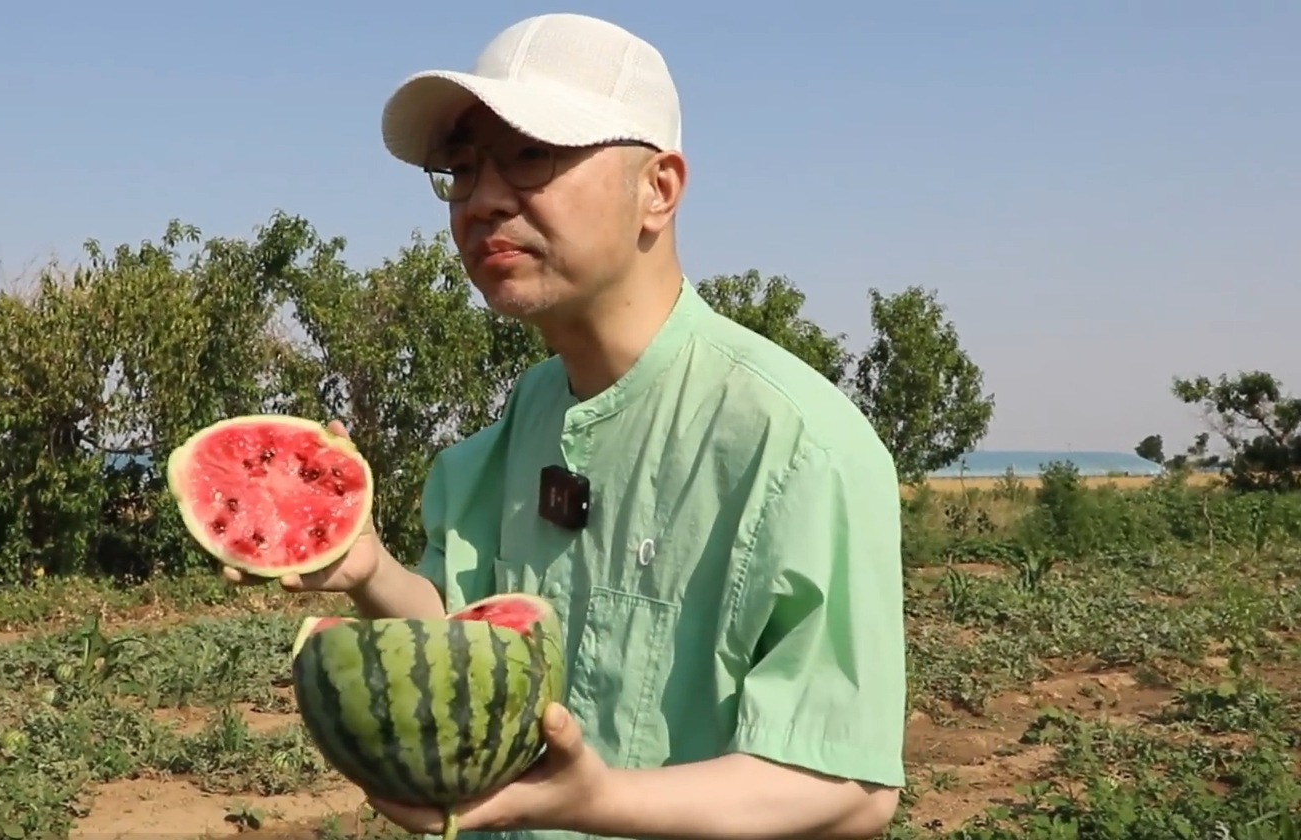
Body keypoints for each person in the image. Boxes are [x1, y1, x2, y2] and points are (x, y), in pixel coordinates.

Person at [224, 12, 908, 840]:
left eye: (530, 154)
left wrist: (593, 801)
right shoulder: (523, 417)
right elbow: (464, 638)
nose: (482, 200)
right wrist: (370, 571)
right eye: (462, 169)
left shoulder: (799, 445)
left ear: (658, 189)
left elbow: (848, 786)